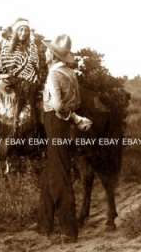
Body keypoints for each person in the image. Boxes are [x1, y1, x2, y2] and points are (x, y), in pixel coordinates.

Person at [38, 34, 92, 242]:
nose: (45, 53)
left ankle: (69, 230)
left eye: (46, 51)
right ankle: (45, 223)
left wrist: (74, 118)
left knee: (59, 175)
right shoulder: (70, 72)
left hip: (56, 121)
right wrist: (75, 118)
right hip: (64, 125)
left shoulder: (53, 74)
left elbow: (59, 106)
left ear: (52, 54)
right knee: (50, 171)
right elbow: (76, 101)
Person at [0, 18, 39, 138]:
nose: (23, 33)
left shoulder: (32, 47)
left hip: (26, 78)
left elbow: (31, 64)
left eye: (26, 30)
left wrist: (14, 75)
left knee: (21, 96)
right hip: (8, 78)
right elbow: (0, 62)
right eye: (21, 30)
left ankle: (16, 125)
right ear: (16, 31)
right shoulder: (7, 45)